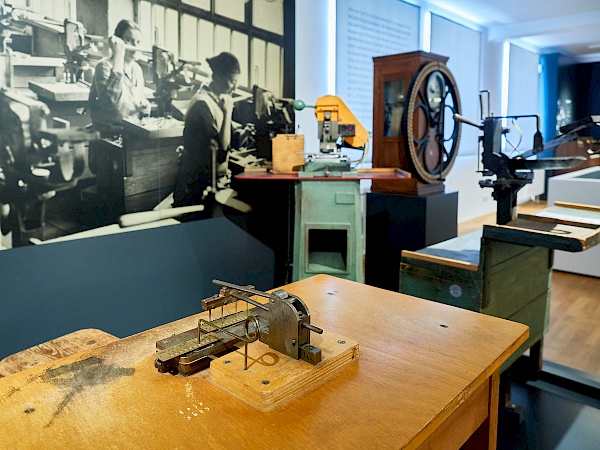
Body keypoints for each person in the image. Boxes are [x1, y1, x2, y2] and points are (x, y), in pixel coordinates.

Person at [172, 52, 241, 216]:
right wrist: (228, 113)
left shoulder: (216, 99)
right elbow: (221, 152)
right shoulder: (202, 106)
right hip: (194, 189)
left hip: (206, 179)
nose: (235, 87)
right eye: (232, 81)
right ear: (217, 76)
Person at [88, 19, 150, 136]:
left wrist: (144, 106)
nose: (135, 46)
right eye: (129, 40)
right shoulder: (104, 66)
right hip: (108, 133)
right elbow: (111, 103)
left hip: (131, 130)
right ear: (119, 42)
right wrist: (118, 56)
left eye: (138, 42)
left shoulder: (137, 70)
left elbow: (135, 102)